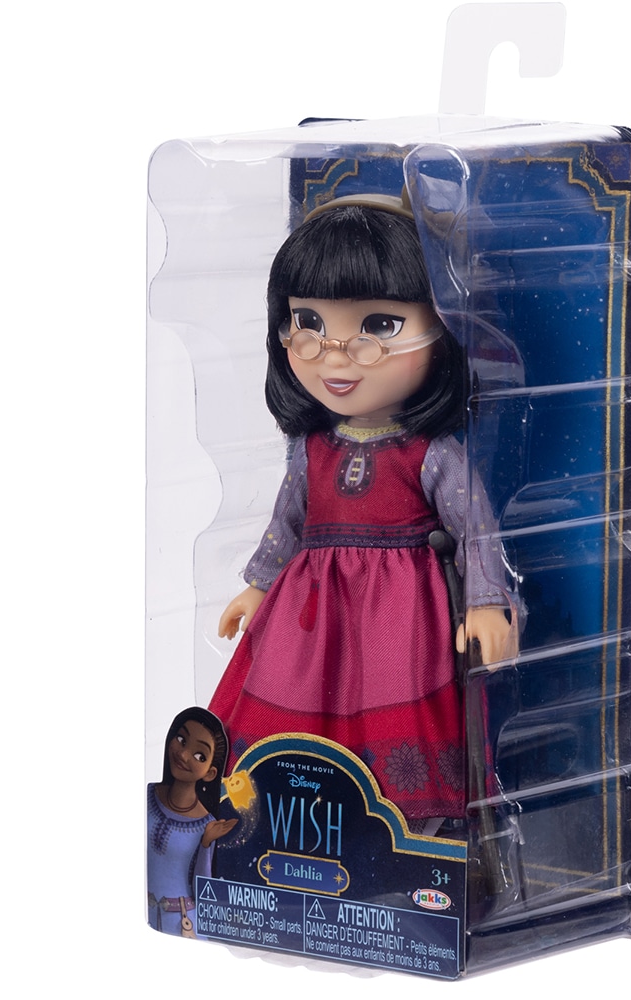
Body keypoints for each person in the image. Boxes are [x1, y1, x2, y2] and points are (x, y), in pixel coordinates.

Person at [209, 193, 515, 826]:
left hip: (402, 617)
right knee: (291, 699)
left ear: (442, 327)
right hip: (308, 613)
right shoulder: (312, 449)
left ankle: (405, 833)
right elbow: (287, 523)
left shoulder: (432, 454)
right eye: (308, 323)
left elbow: (476, 531)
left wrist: (488, 603)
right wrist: (259, 586)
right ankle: (291, 820)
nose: (336, 353)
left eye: (379, 325)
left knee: (392, 710)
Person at [147, 707, 236, 936]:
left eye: (199, 756)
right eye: (181, 740)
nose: (184, 755)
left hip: (184, 925)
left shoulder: (205, 824)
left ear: (210, 773)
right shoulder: (147, 796)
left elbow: (203, 889)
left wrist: (206, 844)